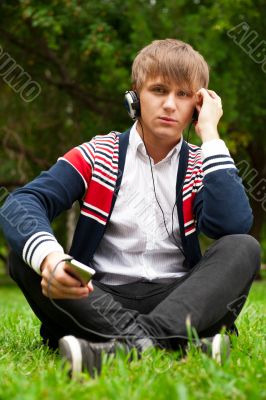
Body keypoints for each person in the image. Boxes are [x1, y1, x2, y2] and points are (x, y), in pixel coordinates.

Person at [0, 39, 261, 378]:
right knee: (27, 258)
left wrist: (210, 134)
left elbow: (232, 225)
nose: (170, 104)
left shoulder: (203, 164)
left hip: (181, 300)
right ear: (135, 97)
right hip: (98, 298)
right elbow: (21, 204)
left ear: (198, 105)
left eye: (183, 95)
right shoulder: (98, 153)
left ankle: (122, 347)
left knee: (244, 246)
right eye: (158, 90)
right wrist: (51, 259)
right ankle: (178, 343)